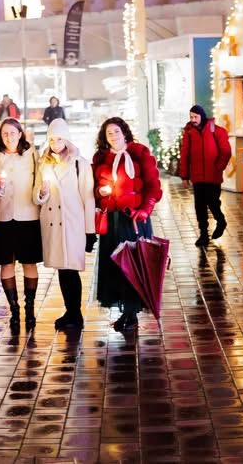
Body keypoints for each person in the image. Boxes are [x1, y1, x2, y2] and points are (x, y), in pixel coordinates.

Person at [92, 117, 161, 332]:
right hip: (112, 220)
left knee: (133, 264)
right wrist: (100, 193)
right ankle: (126, 312)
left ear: (125, 132)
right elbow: (94, 189)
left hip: (133, 220)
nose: (113, 136)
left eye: (116, 131)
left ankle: (131, 313)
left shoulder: (139, 153)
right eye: (108, 133)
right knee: (116, 266)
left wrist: (144, 211)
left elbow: (153, 187)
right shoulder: (101, 157)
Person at [34, 118, 94, 332]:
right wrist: (41, 194)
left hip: (72, 223)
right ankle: (70, 311)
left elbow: (88, 197)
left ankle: (75, 313)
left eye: (59, 138)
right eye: (52, 139)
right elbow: (36, 195)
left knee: (71, 270)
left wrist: (90, 231)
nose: (55, 143)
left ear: (66, 138)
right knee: (62, 269)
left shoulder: (80, 163)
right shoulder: (44, 163)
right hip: (52, 225)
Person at [0, 117, 42, 332]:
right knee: (6, 263)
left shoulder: (31, 155)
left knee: (29, 263)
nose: (9, 137)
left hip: (28, 215)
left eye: (13, 133)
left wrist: (41, 194)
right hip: (3, 217)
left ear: (20, 134)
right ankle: (14, 309)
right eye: (5, 134)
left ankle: (29, 308)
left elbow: (39, 181)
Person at [178, 105, 233, 245]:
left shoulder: (216, 130)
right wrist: (184, 175)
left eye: (195, 117)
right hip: (197, 177)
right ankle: (203, 234)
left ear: (202, 116)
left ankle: (221, 222)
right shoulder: (189, 132)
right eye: (191, 117)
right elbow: (185, 154)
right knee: (199, 206)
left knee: (214, 203)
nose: (193, 119)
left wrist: (218, 167)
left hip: (212, 176)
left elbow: (225, 151)